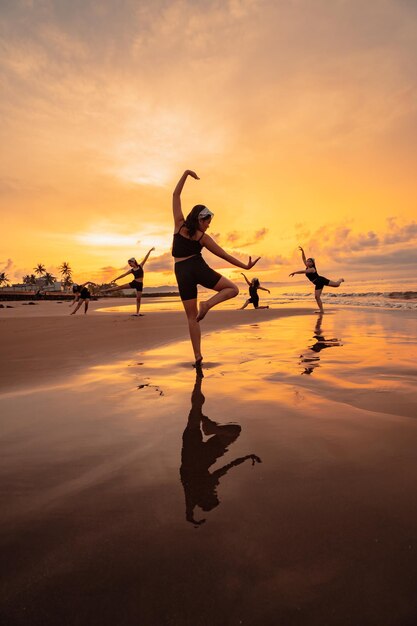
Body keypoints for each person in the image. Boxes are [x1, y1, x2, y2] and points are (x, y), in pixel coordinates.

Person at [172, 170, 261, 366]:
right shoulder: (202, 237)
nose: (209, 226)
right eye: (207, 222)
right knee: (233, 289)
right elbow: (225, 255)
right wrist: (245, 267)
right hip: (196, 267)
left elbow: (175, 195)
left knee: (191, 318)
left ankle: (197, 355)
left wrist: (186, 175)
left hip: (181, 271)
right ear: (199, 219)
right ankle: (207, 306)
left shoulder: (178, 225)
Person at [180, 371, 262, 527]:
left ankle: (205, 417)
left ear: (205, 496)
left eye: (213, 494)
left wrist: (190, 515)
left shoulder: (197, 488)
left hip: (194, 456)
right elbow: (228, 467)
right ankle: (208, 422)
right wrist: (246, 457)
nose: (215, 490)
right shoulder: (194, 489)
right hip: (199, 457)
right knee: (231, 428)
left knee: (232, 429)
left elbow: (227, 468)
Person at [99, 248, 155, 316]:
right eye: (129, 264)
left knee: (138, 299)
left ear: (134, 262)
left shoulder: (140, 266)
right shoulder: (132, 270)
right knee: (120, 287)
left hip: (140, 284)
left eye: (130, 263)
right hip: (134, 283)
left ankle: (137, 313)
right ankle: (106, 290)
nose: (130, 264)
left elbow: (146, 258)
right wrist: (116, 279)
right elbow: (123, 275)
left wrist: (149, 251)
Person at [289, 246, 344, 313]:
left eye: (310, 261)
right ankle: (322, 311)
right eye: (307, 261)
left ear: (313, 263)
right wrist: (303, 251)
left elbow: (303, 271)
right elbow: (303, 259)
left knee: (337, 285)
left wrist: (294, 272)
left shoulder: (312, 269)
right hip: (317, 283)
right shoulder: (307, 266)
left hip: (321, 280)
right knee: (317, 297)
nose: (308, 262)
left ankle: (340, 279)